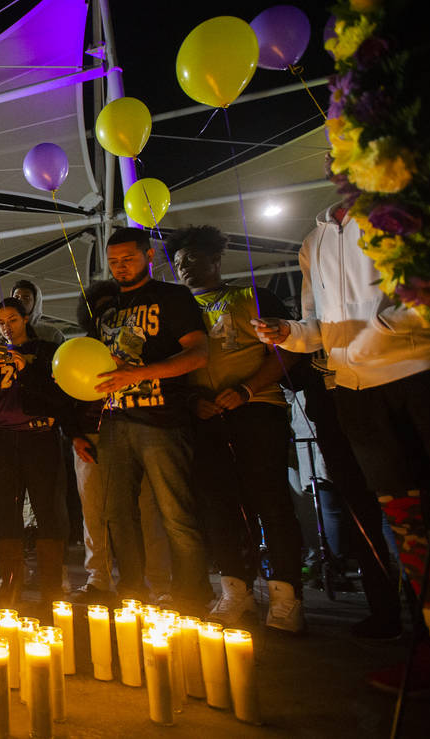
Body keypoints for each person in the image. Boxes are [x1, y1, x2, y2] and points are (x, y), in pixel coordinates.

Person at [254, 205, 430, 690]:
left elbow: (425, 295)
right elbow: (319, 324)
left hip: (417, 375)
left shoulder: (400, 213)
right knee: (403, 519)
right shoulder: (312, 242)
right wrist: (290, 333)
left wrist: (367, 340)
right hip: (353, 392)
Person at [170, 225, 306, 632]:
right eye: (178, 263)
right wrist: (194, 401)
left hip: (257, 410)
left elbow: (287, 354)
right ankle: (236, 592)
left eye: (192, 258)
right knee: (217, 506)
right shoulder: (177, 310)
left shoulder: (252, 297)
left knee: (271, 500)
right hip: (205, 419)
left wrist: (246, 390)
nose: (184, 268)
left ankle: (286, 597)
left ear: (215, 259)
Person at [89, 227, 212, 612]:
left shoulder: (173, 297)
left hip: (163, 418)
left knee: (175, 511)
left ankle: (193, 595)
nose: (120, 268)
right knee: (117, 514)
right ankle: (132, 591)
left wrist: (139, 374)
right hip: (113, 421)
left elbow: (198, 354)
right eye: (113, 263)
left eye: (128, 259)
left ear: (148, 257)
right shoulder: (105, 309)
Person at [70, 282, 172, 605]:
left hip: (135, 429)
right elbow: (68, 398)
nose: (106, 312)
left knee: (145, 509)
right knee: (94, 511)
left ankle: (157, 581)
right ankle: (98, 576)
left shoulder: (139, 342)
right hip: (90, 437)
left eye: (111, 305)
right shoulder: (83, 348)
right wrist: (74, 434)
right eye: (98, 308)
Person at [0, 297, 72, 605]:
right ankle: (10, 581)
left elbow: (57, 393)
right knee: (6, 509)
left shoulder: (44, 351)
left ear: (25, 319)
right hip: (3, 440)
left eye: (12, 320)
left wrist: (26, 369)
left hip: (39, 437)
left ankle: (52, 584)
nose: (7, 327)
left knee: (47, 507)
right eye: (1, 322)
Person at [9, 280, 66, 344]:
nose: (20, 301)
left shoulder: (52, 335)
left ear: (36, 302)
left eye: (26, 297)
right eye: (16, 297)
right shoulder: (5, 336)